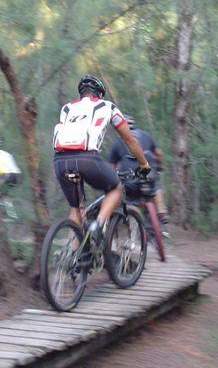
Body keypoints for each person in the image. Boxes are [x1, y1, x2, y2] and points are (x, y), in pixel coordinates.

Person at [52, 75, 151, 244]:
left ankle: (72, 257)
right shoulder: (108, 107)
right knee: (116, 188)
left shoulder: (66, 108)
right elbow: (130, 140)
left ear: (81, 93)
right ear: (100, 93)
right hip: (87, 159)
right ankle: (97, 226)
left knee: (76, 209)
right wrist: (144, 164)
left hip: (60, 161)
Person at [107, 115, 170, 223]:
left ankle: (136, 227)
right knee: (156, 188)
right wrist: (159, 165)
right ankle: (161, 212)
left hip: (130, 177)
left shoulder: (117, 142)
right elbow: (159, 154)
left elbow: (111, 167)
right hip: (148, 172)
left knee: (132, 202)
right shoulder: (146, 135)